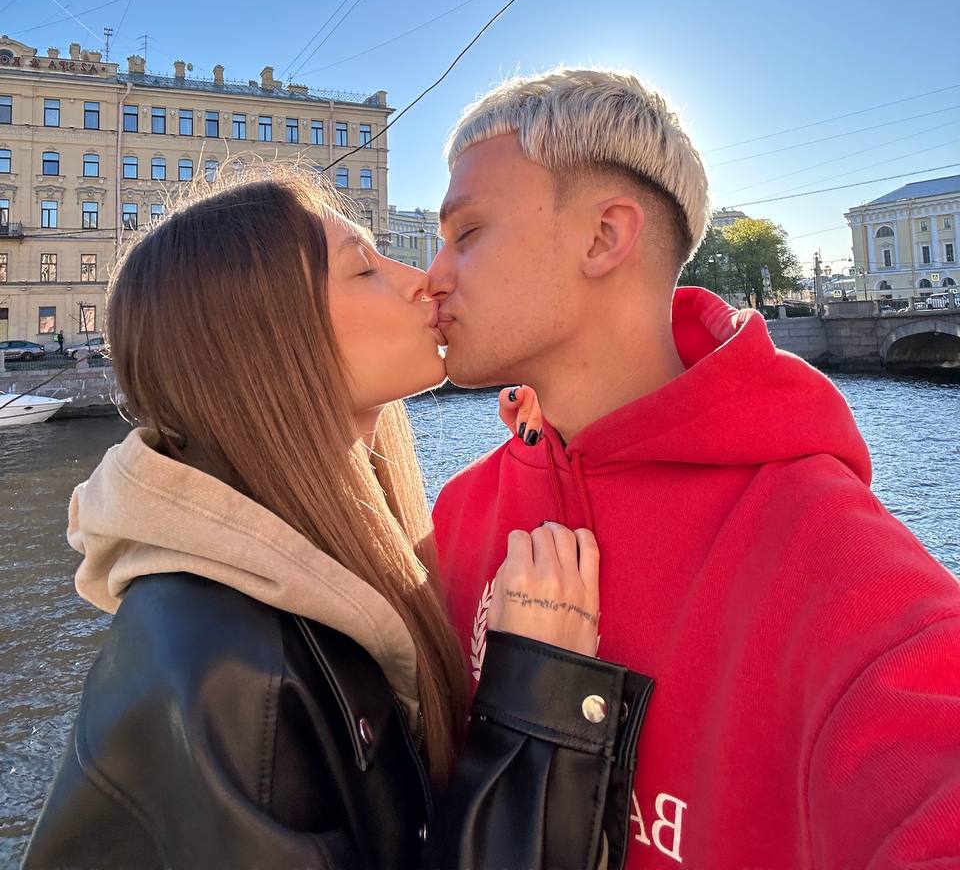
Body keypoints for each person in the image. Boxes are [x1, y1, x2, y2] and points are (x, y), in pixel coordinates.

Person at [23, 169, 653, 870]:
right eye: (364, 269)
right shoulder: (224, 676)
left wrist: (554, 438)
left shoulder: (298, 580)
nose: (423, 281)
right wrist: (538, 707)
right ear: (263, 340)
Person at [427, 67, 960, 869]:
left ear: (604, 237)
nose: (433, 276)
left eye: (466, 233)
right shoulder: (458, 512)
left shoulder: (830, 556)